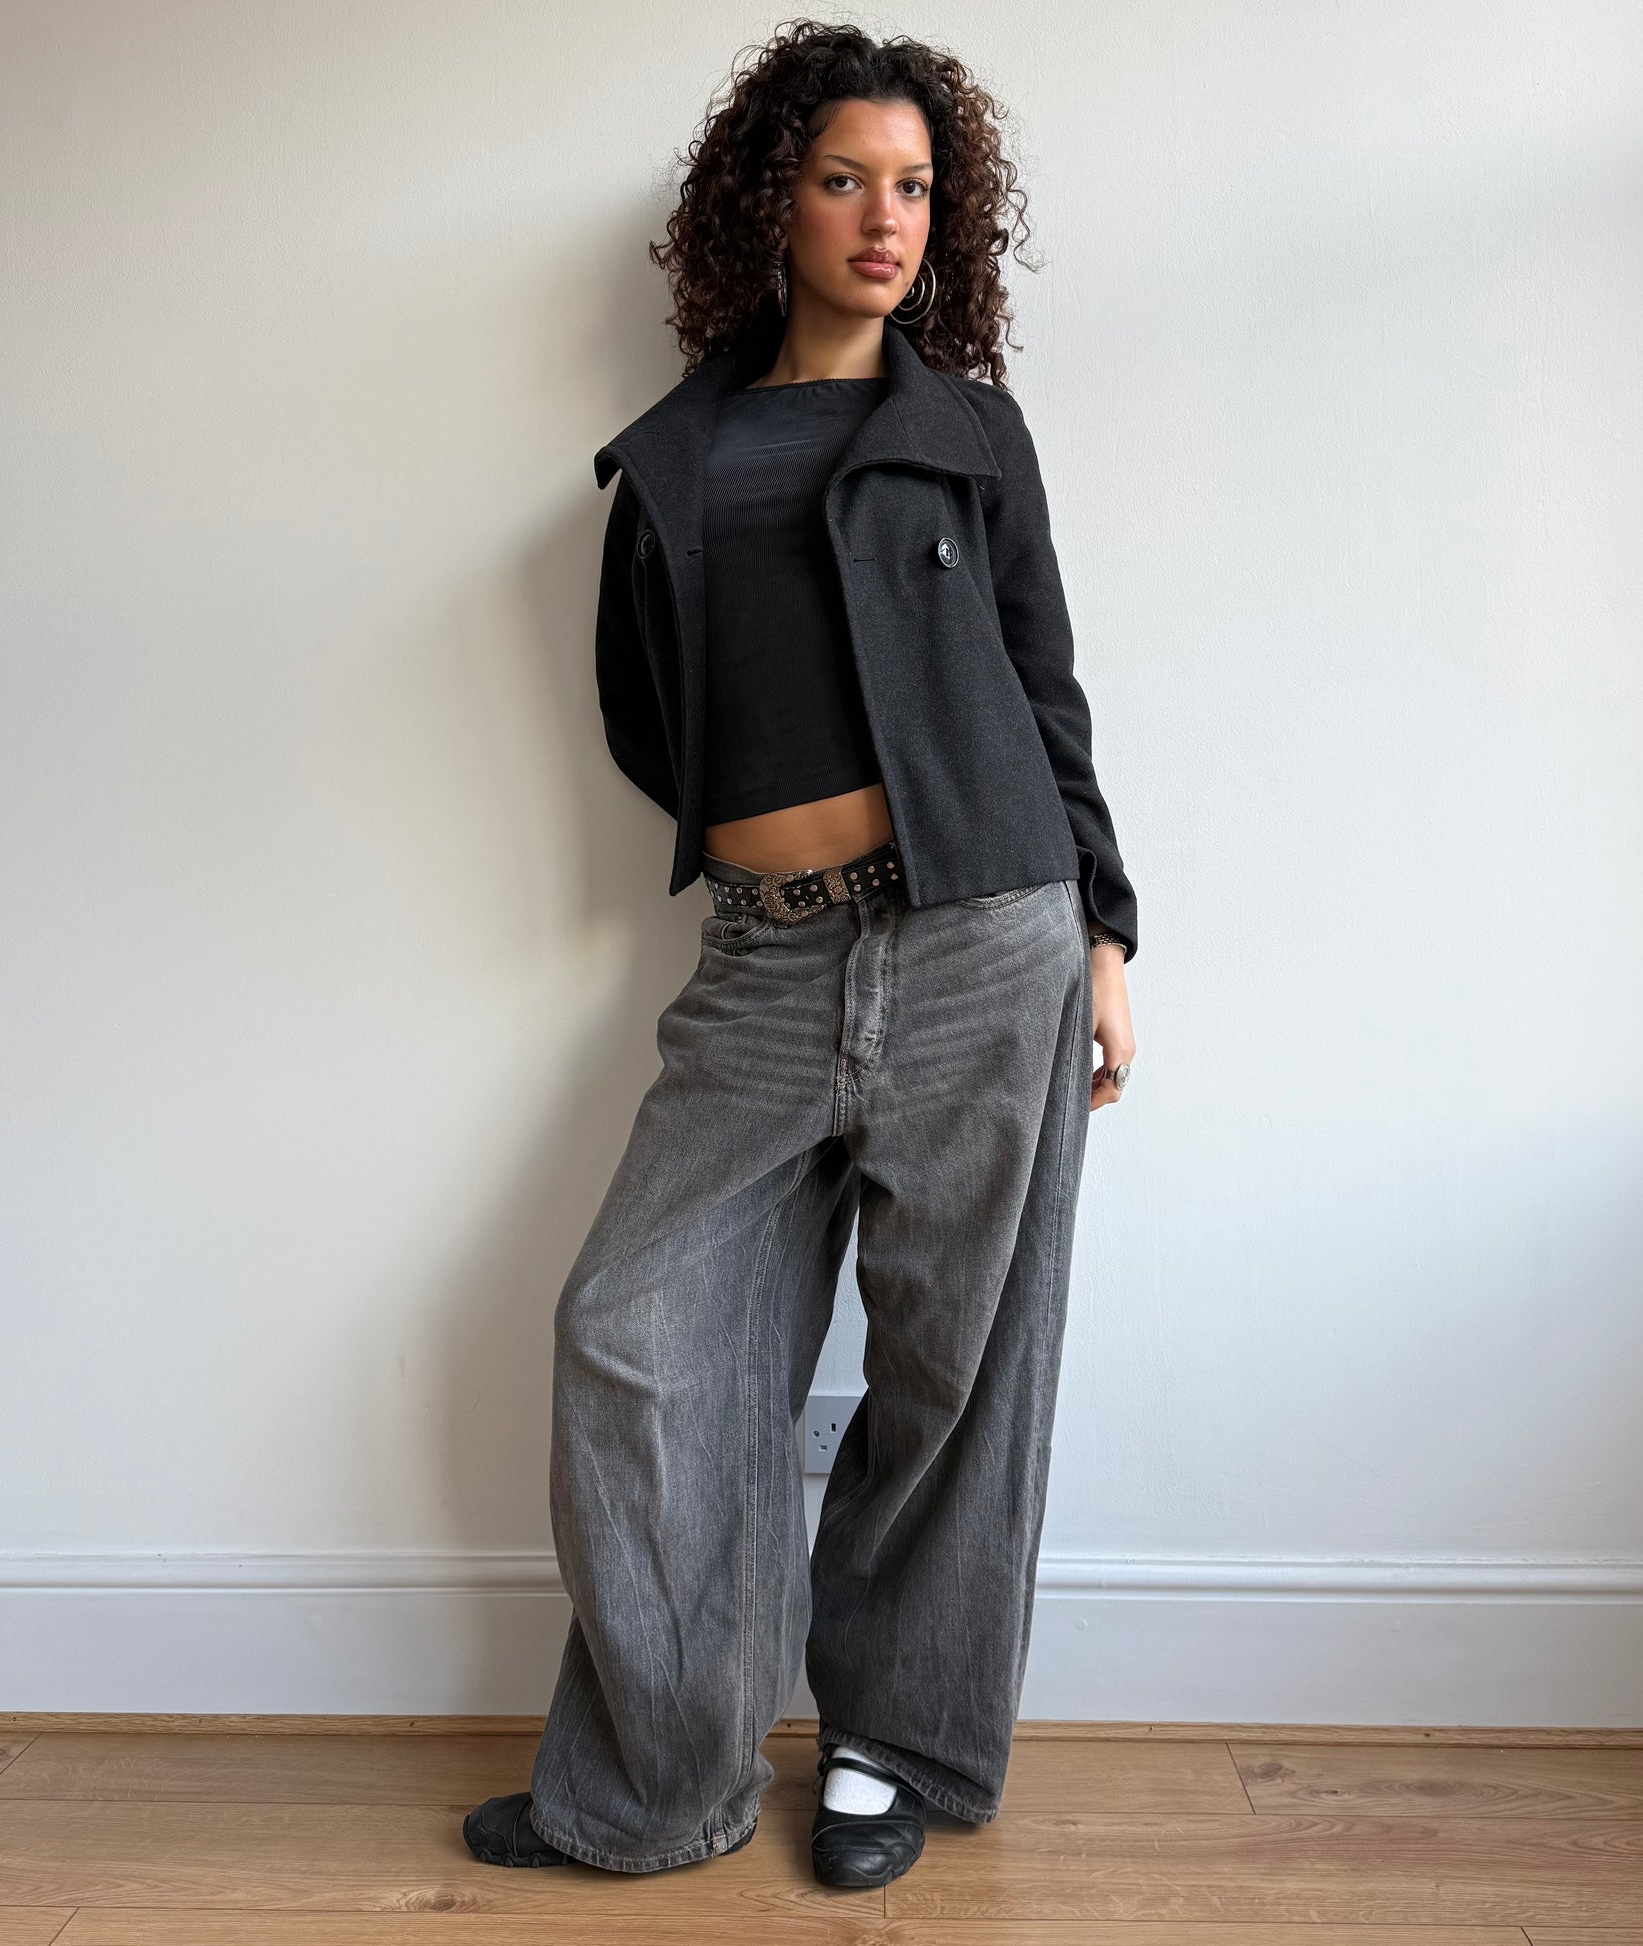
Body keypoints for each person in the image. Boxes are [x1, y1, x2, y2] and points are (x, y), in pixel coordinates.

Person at [464, 20, 1138, 1890]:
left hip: (984, 937)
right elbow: (646, 720)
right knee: (631, 1333)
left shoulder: (967, 433)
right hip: (764, 971)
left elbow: (1043, 689)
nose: (882, 217)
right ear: (773, 202)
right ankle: (655, 1781)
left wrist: (1101, 928)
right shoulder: (675, 460)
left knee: (953, 1369)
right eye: (844, 178)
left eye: (913, 186)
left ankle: (885, 1750)